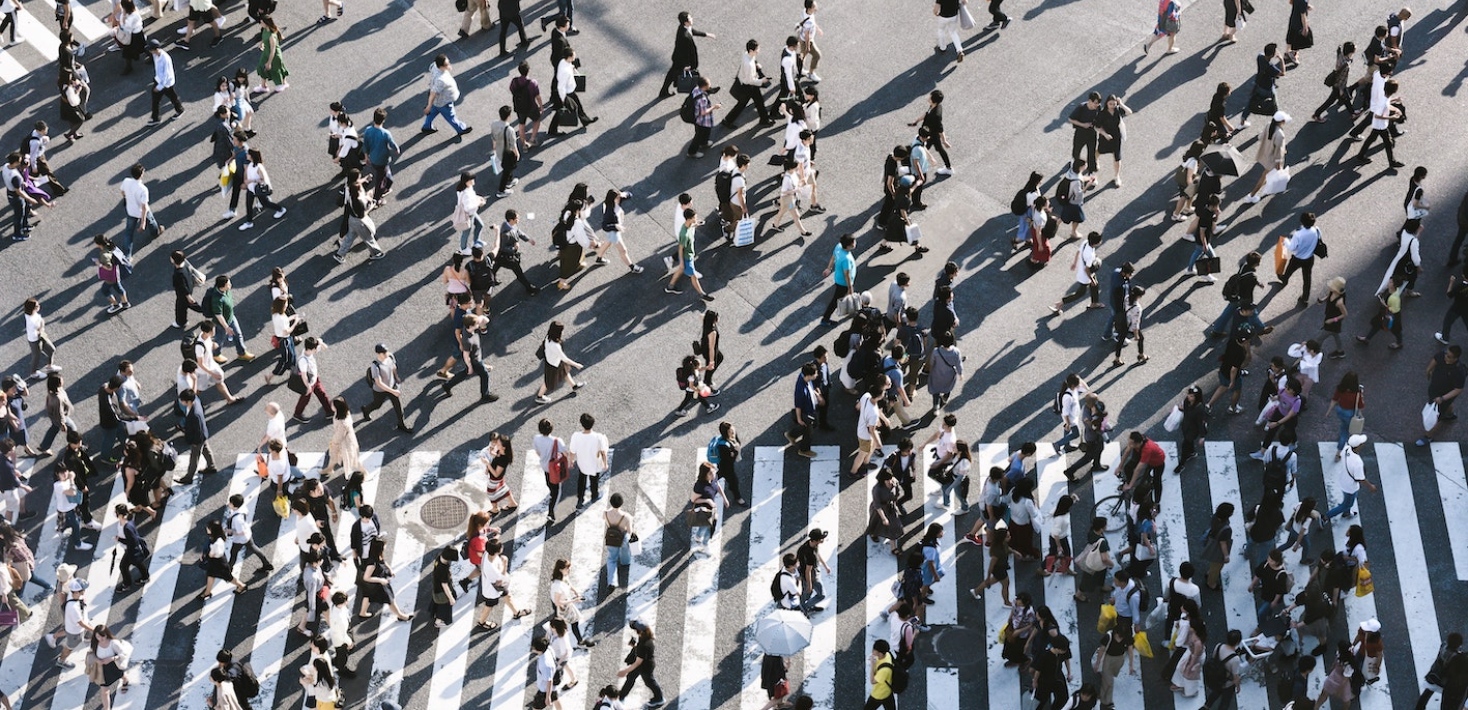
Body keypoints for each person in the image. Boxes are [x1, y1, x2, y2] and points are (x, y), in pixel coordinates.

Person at [658, 11, 715, 99]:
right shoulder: (684, 36)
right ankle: (706, 90)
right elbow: (683, 52)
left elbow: (692, 31)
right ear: (686, 22)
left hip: (677, 59)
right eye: (690, 18)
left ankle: (663, 91)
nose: (692, 18)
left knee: (672, 74)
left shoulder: (683, 27)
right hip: (682, 61)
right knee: (694, 75)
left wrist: (706, 35)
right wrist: (686, 65)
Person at [1418, 345, 1467, 446]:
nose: (1445, 357)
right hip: (1434, 390)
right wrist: (1428, 370)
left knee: (1435, 415)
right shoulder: (1442, 356)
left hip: (1443, 396)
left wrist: (1443, 398)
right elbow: (1435, 360)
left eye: (1449, 356)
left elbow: (1458, 389)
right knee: (1445, 406)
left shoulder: (1459, 371)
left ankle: (1428, 436)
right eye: (1446, 354)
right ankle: (1449, 414)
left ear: (1455, 358)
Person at [422, 54, 472, 137]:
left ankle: (427, 126)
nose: (449, 65)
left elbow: (431, 68)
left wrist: (429, 106)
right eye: (446, 64)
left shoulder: (435, 66)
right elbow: (434, 93)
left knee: (432, 112)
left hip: (437, 101)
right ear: (441, 66)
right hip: (443, 101)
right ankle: (460, 129)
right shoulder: (441, 80)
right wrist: (428, 106)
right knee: (451, 116)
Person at [616, 622, 664, 707]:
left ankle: (659, 699)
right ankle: (622, 696)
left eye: (635, 629)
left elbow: (638, 662)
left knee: (649, 682)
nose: (634, 631)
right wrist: (634, 646)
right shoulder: (646, 637)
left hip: (645, 667)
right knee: (630, 678)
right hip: (644, 664)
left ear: (640, 631)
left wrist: (624, 671)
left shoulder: (644, 644)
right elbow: (641, 654)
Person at [864, 639, 897, 710]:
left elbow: (872, 681)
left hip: (879, 694)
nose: (872, 651)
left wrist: (873, 666)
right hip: (888, 691)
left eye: (874, 650)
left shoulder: (884, 671)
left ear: (880, 654)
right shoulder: (887, 655)